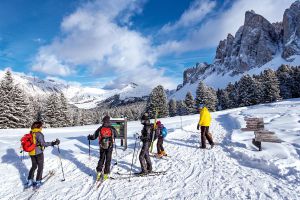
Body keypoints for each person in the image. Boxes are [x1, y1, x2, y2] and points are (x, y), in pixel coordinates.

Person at [26, 121, 60, 188]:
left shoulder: (31, 132)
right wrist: (53, 143)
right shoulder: (39, 134)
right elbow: (43, 144)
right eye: (41, 126)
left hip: (31, 152)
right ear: (38, 126)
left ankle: (30, 180)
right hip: (38, 153)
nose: (42, 127)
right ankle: (38, 181)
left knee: (34, 166)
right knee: (40, 167)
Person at [87, 115, 117, 181]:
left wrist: (90, 137)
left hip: (102, 146)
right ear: (109, 121)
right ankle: (106, 174)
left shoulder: (100, 128)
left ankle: (99, 172)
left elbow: (94, 136)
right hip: (110, 146)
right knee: (108, 160)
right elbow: (116, 135)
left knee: (101, 159)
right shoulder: (112, 128)